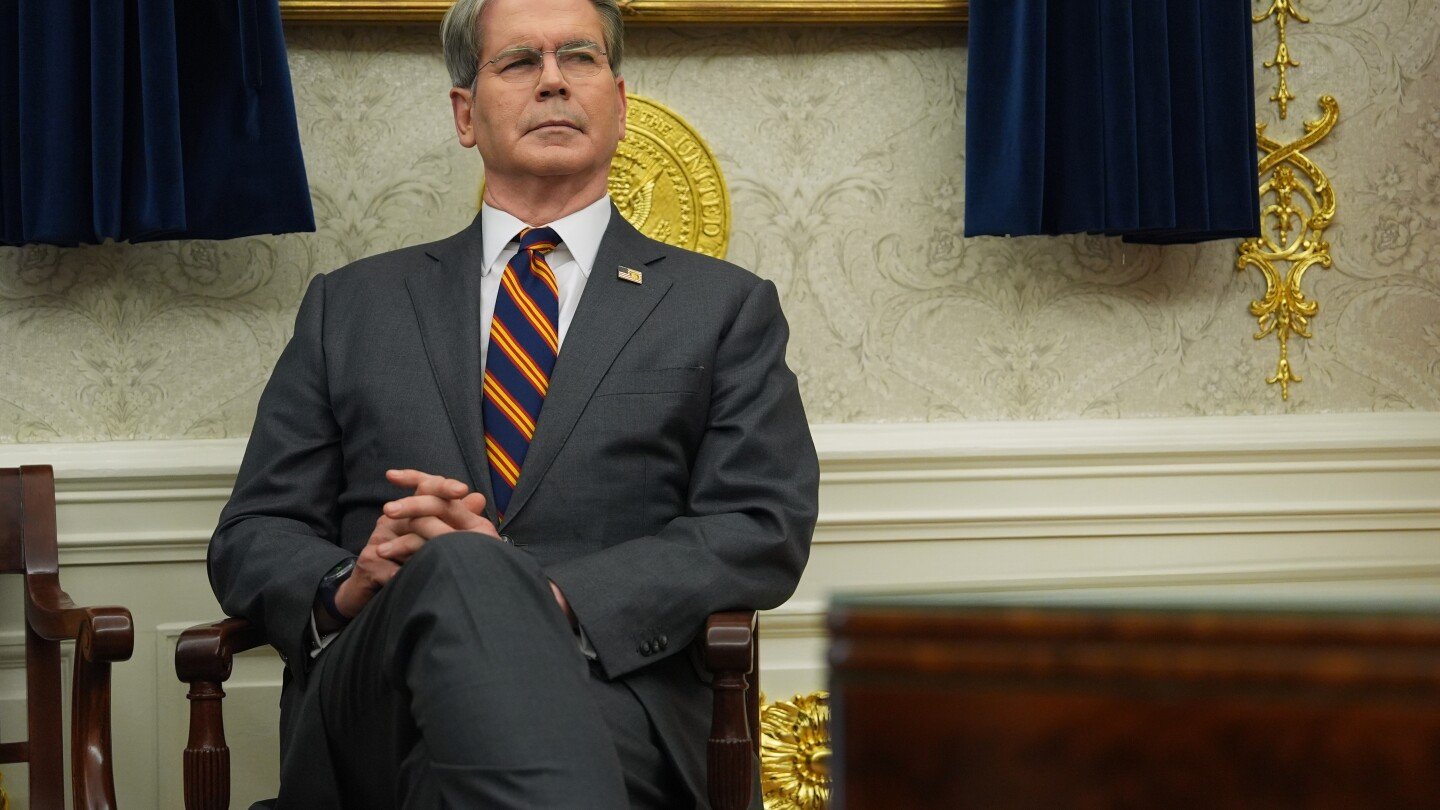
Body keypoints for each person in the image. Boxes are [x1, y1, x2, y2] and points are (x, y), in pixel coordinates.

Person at [206, 0, 819, 806]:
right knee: (458, 567)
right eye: (520, 61)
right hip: (376, 699)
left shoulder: (722, 307)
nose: (553, 81)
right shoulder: (350, 306)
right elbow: (252, 535)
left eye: (580, 58)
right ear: (466, 114)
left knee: (449, 764)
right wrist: (350, 580)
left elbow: (758, 524)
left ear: (619, 104)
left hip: (607, 693)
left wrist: (539, 598)